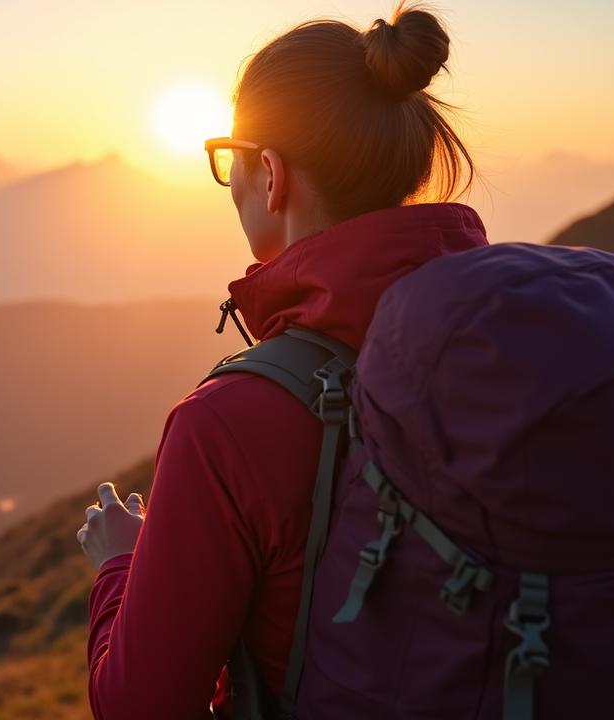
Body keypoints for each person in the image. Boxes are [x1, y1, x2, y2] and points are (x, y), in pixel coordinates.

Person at [75, 3, 487, 718]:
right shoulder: (499, 341)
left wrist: (121, 565)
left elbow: (141, 706)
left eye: (229, 156)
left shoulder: (228, 425)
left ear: (269, 173)